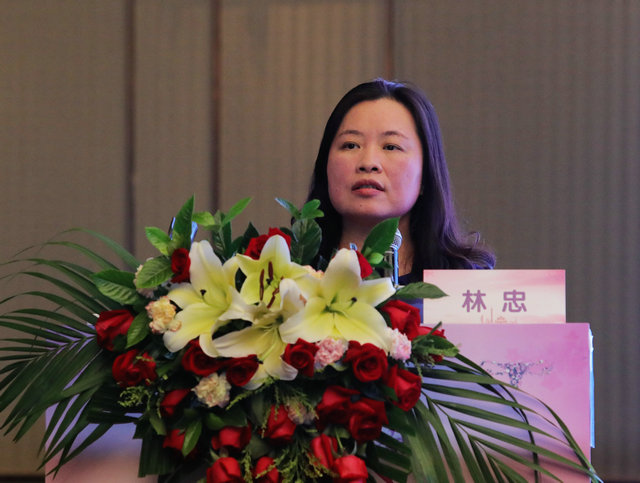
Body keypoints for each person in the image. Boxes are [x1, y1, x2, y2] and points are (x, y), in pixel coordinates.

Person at [307, 78, 495, 282]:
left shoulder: (468, 287)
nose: (368, 163)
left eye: (391, 147)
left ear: (426, 174)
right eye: (351, 145)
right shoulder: (290, 279)